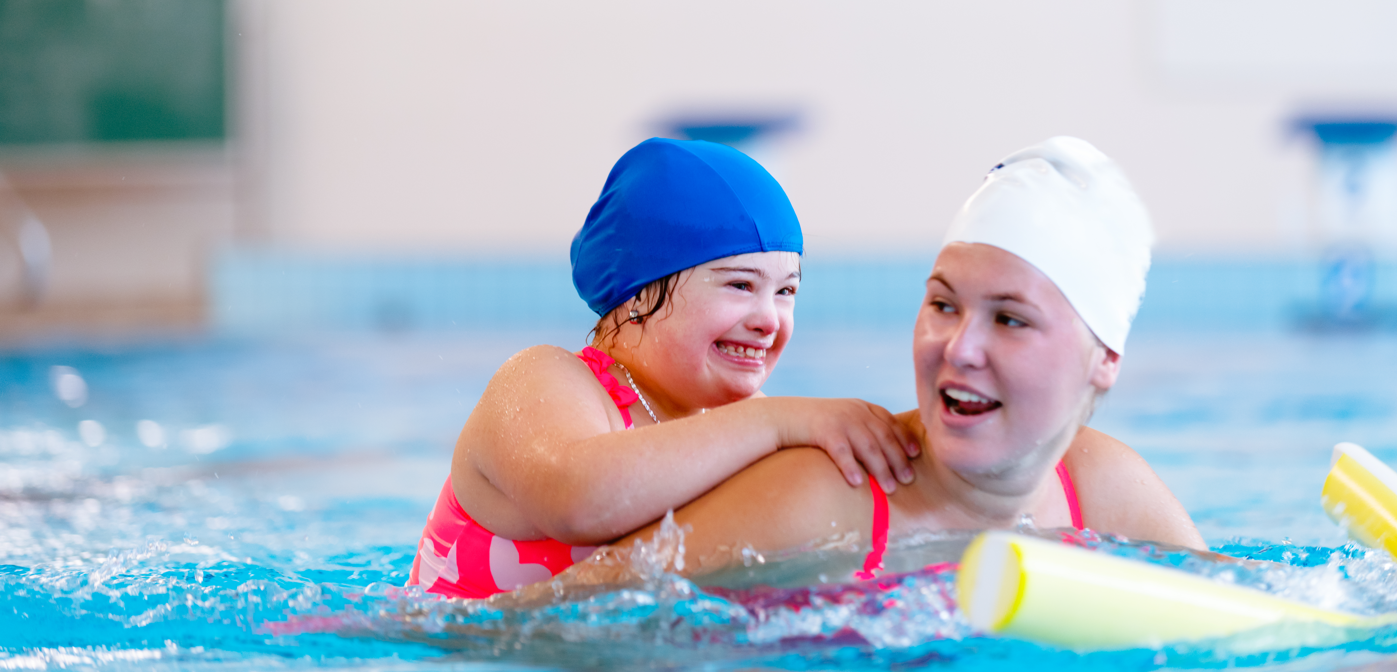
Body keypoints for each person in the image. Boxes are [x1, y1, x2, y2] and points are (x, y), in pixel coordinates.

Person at [596, 137, 1206, 580]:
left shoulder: (1104, 490)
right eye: (943, 305)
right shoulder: (822, 498)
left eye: (1010, 319)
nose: (959, 348)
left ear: (1104, 360)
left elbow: (1261, 612)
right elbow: (552, 618)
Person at [406, 138, 923, 598]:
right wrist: (777, 423)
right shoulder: (545, 380)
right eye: (740, 285)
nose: (770, 320)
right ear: (635, 295)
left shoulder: (747, 423)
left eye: (786, 291)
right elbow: (576, 500)